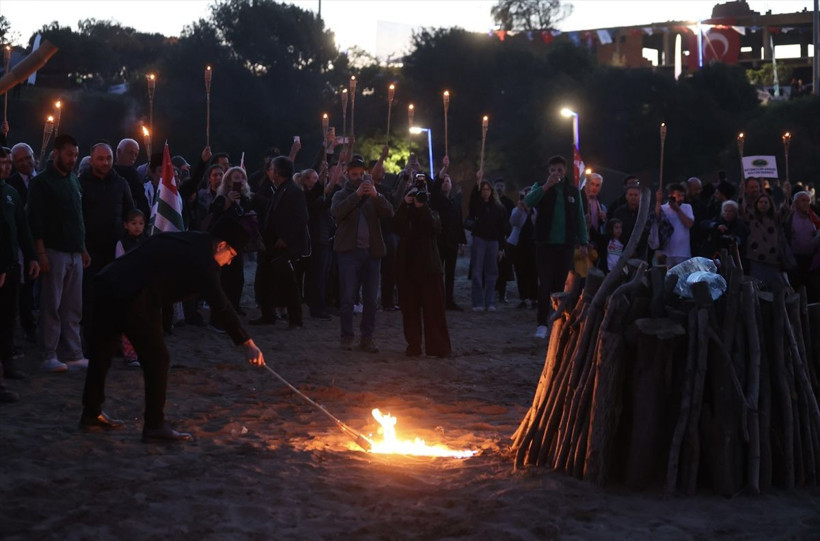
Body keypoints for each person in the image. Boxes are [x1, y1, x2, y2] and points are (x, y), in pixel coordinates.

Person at [80, 214, 265, 442]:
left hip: (107, 283)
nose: (229, 262)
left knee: (103, 352)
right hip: (133, 297)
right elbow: (221, 305)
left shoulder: (192, 240)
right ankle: (155, 426)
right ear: (221, 245)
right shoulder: (203, 262)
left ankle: (91, 412)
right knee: (157, 359)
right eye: (231, 255)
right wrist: (247, 343)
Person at [26, 134, 90, 373]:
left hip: (74, 250)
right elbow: (36, 219)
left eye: (75, 155)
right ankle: (48, 353)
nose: (72, 159)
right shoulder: (41, 183)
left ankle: (74, 353)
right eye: (68, 154)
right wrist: (41, 253)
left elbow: (78, 216)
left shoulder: (74, 180)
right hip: (53, 250)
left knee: (73, 306)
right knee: (51, 305)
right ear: (56, 153)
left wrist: (82, 247)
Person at [331, 154, 394, 352]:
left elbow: (390, 212)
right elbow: (337, 212)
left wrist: (375, 195)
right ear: (348, 175)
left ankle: (367, 338)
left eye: (360, 174)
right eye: (354, 174)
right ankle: (347, 337)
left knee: (370, 298)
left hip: (372, 253)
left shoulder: (374, 194)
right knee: (348, 297)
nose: (358, 177)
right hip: (349, 252)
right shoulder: (341, 194)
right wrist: (357, 195)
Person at [524, 156, 589, 339]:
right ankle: (541, 323)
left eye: (559, 170)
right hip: (545, 244)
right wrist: (546, 186)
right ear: (548, 171)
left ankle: (557, 320)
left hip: (566, 244)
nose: (556, 173)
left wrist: (583, 241)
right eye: (553, 170)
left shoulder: (572, 191)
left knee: (559, 285)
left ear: (565, 171)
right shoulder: (541, 187)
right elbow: (528, 201)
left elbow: (579, 219)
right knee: (544, 283)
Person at [393, 175, 451, 357]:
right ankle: (414, 346)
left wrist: (422, 206)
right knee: (409, 310)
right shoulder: (406, 209)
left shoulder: (432, 208)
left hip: (429, 266)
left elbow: (435, 227)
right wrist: (405, 204)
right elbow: (396, 226)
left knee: (434, 310)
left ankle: (438, 347)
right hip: (408, 265)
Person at [79, 142, 136, 324]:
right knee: (90, 298)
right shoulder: (80, 184)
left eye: (108, 158)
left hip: (115, 250)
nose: (105, 163)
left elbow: (130, 212)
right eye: (101, 158)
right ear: (92, 160)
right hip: (90, 251)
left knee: (114, 296)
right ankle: (91, 341)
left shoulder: (121, 183)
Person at [254, 156, 309, 329]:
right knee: (264, 281)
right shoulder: (280, 189)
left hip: (284, 247)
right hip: (270, 245)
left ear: (277, 172)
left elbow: (301, 218)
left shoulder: (293, 190)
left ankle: (295, 319)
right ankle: (267, 314)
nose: (270, 172)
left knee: (288, 284)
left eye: (272, 169)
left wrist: (285, 238)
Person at [0, 147, 40, 381]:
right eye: (1, 163)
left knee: (8, 315)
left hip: (12, 264)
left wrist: (32, 256)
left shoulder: (12, 193)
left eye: (7, 163)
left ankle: (7, 362)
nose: (5, 167)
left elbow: (22, 229)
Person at [8, 142, 38, 343]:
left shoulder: (43, 179)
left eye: (28, 158)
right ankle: (29, 328)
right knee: (25, 288)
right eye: (20, 160)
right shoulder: (12, 186)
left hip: (46, 240)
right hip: (23, 244)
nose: (26, 163)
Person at [467, 174, 510, 312]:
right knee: (477, 272)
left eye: (487, 189)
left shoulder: (498, 208)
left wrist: (502, 247)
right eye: (483, 189)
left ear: (491, 191)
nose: (485, 191)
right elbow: (472, 203)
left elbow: (502, 229)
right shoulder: (477, 206)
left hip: (493, 242)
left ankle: (490, 301)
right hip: (479, 239)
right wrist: (477, 182)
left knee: (492, 272)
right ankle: (478, 302)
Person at [430, 161, 466, 311]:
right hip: (439, 241)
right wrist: (444, 168)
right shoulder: (436, 199)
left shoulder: (455, 202)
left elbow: (459, 222)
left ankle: (449, 300)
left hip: (452, 242)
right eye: (444, 180)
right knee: (437, 272)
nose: (445, 183)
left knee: (451, 274)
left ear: (451, 185)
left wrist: (462, 241)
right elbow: (434, 187)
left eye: (448, 181)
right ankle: (435, 300)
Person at [114, 209, 147, 367]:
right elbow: (119, 265)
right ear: (126, 225)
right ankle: (130, 355)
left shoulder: (146, 241)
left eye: (141, 223)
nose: (137, 227)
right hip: (127, 287)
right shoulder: (122, 243)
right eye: (134, 223)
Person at [784, 191, 820, 302]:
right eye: (803, 200)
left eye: (808, 201)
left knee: (811, 294)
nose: (806, 203)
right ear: (795, 203)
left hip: (811, 263)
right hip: (794, 262)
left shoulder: (811, 217)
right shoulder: (789, 218)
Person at [507, 187, 537, 308]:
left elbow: (538, 224)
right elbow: (513, 222)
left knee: (533, 271)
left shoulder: (536, 211)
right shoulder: (516, 210)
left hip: (533, 244)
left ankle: (534, 298)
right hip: (518, 244)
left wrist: (530, 210)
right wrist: (520, 209)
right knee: (521, 271)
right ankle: (523, 298)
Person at [656, 183, 694, 266]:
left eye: (682, 196)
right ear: (671, 195)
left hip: (683, 253)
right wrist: (658, 201)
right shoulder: (663, 208)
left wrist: (678, 210)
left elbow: (689, 224)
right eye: (678, 195)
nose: (681, 198)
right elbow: (656, 223)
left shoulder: (687, 207)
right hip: (666, 253)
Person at [114, 138, 151, 218]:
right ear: (119, 152)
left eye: (135, 154)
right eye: (130, 153)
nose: (133, 157)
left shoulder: (136, 176)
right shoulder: (110, 174)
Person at [494, 178, 515, 304]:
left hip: (504, 239)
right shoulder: (490, 201)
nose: (499, 188)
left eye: (502, 185)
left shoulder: (509, 203)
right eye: (497, 185)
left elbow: (511, 221)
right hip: (491, 237)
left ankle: (502, 293)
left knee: (503, 268)